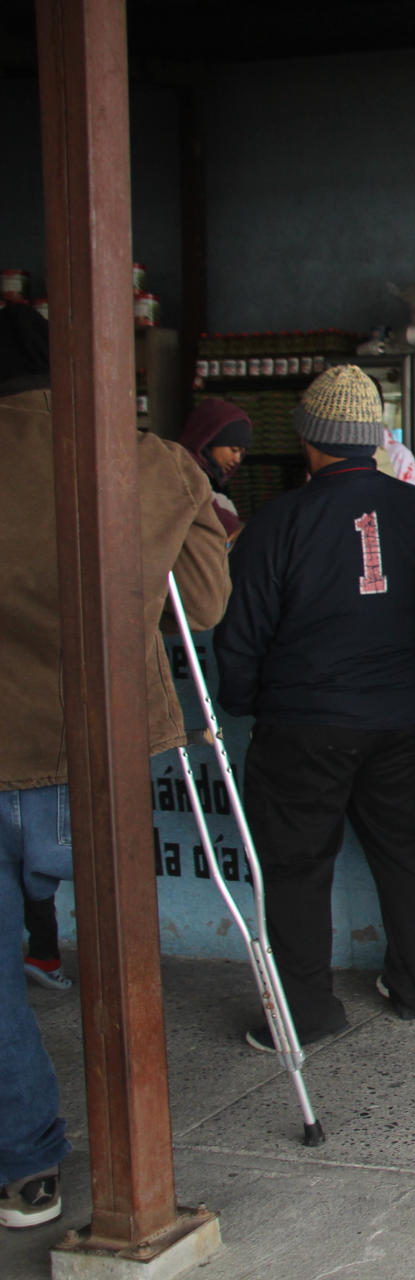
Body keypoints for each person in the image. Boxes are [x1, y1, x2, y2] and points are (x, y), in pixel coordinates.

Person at [0, 301, 229, 1230]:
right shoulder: (148, 460)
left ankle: (25, 1166)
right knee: (117, 951)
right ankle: (135, 1157)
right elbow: (205, 608)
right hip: (94, 752)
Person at [214, 365, 415, 1048]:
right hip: (407, 719)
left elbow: (241, 636)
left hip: (304, 723)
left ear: (310, 440)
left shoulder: (277, 521)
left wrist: (246, 704)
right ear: (375, 439)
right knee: (407, 852)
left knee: (294, 868)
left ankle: (306, 1015)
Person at [179, 396, 252, 540]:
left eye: (241, 453)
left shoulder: (210, 482)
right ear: (210, 440)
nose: (237, 459)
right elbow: (226, 525)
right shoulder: (184, 474)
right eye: (233, 449)